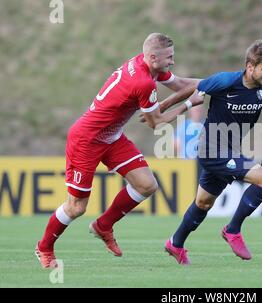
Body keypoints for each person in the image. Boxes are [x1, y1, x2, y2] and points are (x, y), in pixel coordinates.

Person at [35, 33, 202, 268]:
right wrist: (188, 104)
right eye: (169, 57)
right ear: (153, 57)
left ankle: (103, 225)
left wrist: (219, 82)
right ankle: (44, 247)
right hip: (86, 140)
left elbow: (182, 83)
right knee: (76, 207)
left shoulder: (146, 64)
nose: (172, 61)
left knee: (147, 185)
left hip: (111, 138)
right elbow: (156, 123)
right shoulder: (143, 82)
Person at [163, 40, 262, 265]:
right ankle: (232, 230)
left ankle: (175, 243)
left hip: (231, 150)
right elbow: (191, 88)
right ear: (250, 66)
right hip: (211, 149)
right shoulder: (226, 81)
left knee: (203, 203)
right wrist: (161, 109)